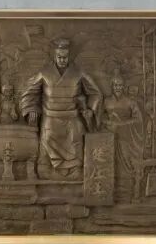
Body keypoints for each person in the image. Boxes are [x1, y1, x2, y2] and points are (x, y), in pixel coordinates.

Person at [20, 38, 102, 179]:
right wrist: (32, 109)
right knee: (47, 144)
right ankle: (47, 171)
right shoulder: (44, 73)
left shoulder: (78, 72)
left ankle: (76, 171)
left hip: (72, 118)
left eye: (65, 57)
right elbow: (29, 93)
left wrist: (90, 109)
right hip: (50, 118)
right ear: (55, 55)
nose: (62, 60)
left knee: (76, 141)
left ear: (69, 56)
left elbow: (95, 93)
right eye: (59, 57)